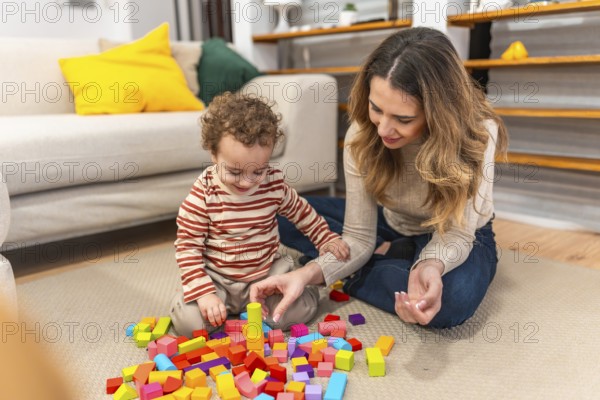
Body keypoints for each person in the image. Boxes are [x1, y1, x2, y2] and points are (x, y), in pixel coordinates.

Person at [250, 27, 508, 329]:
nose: (384, 129)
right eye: (376, 108)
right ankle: (390, 256)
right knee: (273, 208)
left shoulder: (478, 133)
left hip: (458, 234)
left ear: (440, 113)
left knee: (450, 301)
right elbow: (358, 237)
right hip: (392, 222)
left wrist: (430, 265)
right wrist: (306, 275)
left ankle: (372, 268)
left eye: (404, 119)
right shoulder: (363, 134)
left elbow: (457, 234)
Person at [169, 92, 349, 337]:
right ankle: (204, 301)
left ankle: (301, 292)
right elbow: (187, 247)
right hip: (218, 279)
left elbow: (302, 213)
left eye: (258, 171)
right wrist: (204, 294)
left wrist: (325, 239)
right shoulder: (203, 193)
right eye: (234, 171)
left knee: (293, 312)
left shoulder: (273, 184)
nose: (246, 182)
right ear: (213, 154)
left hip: (265, 276)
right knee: (190, 325)